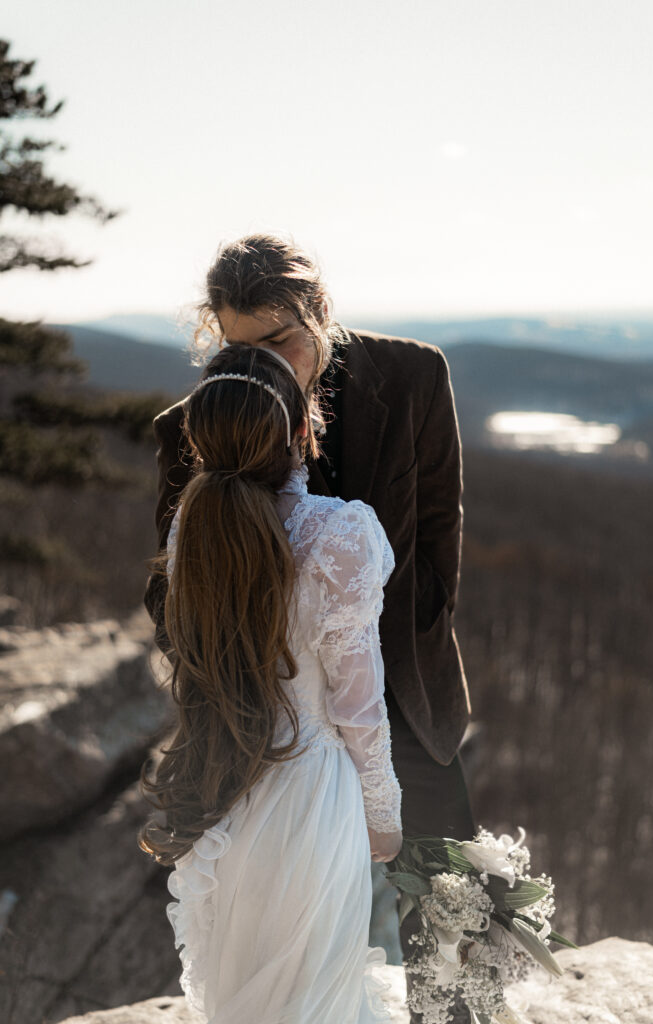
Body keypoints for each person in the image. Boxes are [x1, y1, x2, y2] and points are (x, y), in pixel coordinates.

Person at [144, 234, 475, 1021]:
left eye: (280, 340)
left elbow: (437, 551)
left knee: (452, 898)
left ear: (321, 317)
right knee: (281, 936)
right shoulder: (194, 423)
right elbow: (172, 594)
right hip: (269, 713)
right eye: (236, 347)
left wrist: (358, 648)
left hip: (404, 685)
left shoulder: (413, 375)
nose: (261, 364)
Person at [140, 343, 402, 1023]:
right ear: (300, 432)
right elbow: (358, 704)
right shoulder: (340, 534)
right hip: (313, 797)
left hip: (227, 789)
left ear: (198, 441)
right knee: (316, 1001)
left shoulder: (189, 531)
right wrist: (384, 816)